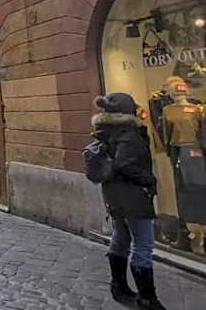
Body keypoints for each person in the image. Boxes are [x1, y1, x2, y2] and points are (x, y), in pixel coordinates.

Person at [92, 93, 165, 310]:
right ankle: (147, 297)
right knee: (143, 243)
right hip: (132, 195)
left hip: (115, 194)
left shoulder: (107, 131)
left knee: (121, 236)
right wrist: (149, 180)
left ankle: (119, 285)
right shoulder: (128, 134)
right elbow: (125, 164)